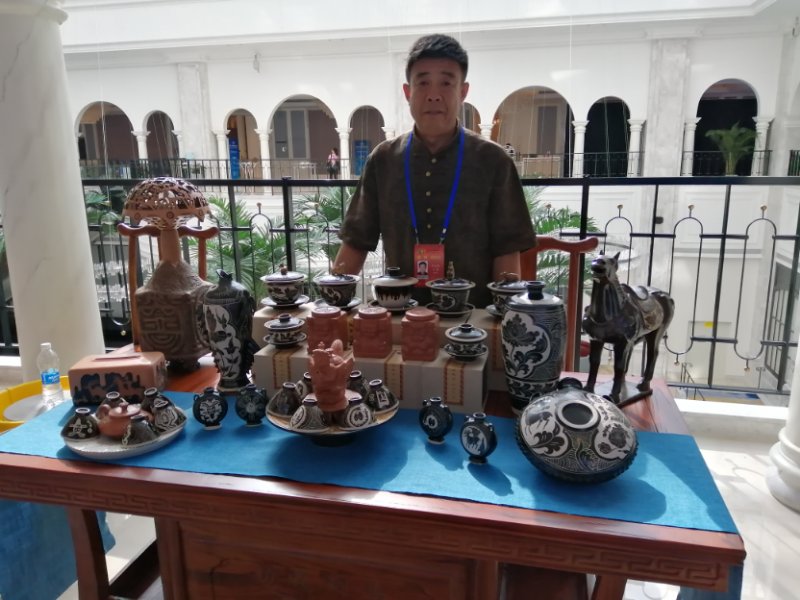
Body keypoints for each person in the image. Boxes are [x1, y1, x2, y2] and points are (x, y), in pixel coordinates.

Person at [334, 34, 536, 307]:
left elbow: (507, 251)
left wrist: (503, 319)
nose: (433, 95)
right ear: (408, 92)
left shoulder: (494, 161)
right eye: (423, 82)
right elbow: (356, 241)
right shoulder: (383, 160)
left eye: (446, 83)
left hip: (473, 318)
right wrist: (331, 307)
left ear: (463, 92)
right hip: (399, 316)